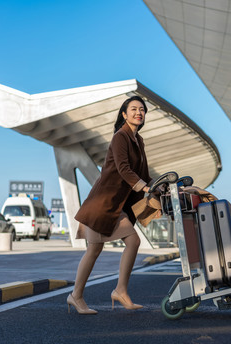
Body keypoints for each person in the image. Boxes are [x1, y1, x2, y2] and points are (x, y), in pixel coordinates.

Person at [67, 96, 156, 315]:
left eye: (142, 110)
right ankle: (76, 296)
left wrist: (159, 187)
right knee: (94, 249)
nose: (139, 112)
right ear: (124, 114)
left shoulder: (138, 140)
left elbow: (143, 174)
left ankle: (120, 290)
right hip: (103, 203)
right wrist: (145, 188)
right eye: (133, 109)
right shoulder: (120, 137)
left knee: (133, 242)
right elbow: (124, 169)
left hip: (117, 206)